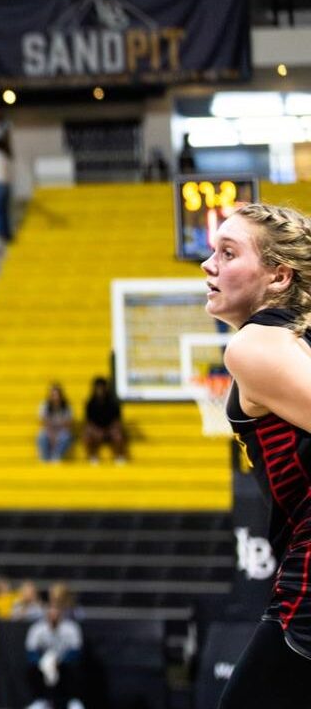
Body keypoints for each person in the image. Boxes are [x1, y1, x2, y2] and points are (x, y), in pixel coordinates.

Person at [203, 203, 311, 707]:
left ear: (278, 275)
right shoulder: (295, 336)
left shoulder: (254, 345)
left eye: (228, 252)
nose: (208, 265)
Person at [24, 587, 86, 709]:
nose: (53, 614)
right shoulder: (38, 629)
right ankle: (41, 699)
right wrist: (42, 662)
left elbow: (76, 650)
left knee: (75, 669)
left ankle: (72, 700)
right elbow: (31, 650)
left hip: (64, 665)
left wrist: (59, 662)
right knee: (34, 670)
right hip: (44, 666)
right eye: (51, 610)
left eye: (56, 611)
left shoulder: (71, 628)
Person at [82, 376, 128, 463]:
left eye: (101, 387)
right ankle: (92, 456)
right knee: (86, 435)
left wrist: (108, 430)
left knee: (118, 434)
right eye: (98, 388)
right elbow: (88, 421)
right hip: (96, 429)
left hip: (110, 429)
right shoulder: (90, 403)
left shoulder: (113, 402)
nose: (100, 390)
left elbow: (117, 420)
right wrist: (97, 430)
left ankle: (119, 456)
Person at [38, 383, 73, 462]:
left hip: (61, 432)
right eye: (53, 395)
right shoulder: (44, 405)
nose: (55, 398)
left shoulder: (67, 407)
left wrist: (56, 434)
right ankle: (45, 459)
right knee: (42, 435)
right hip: (49, 431)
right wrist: (52, 434)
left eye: (57, 395)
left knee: (66, 435)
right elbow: (44, 423)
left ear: (61, 396)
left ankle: (56, 457)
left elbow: (68, 424)